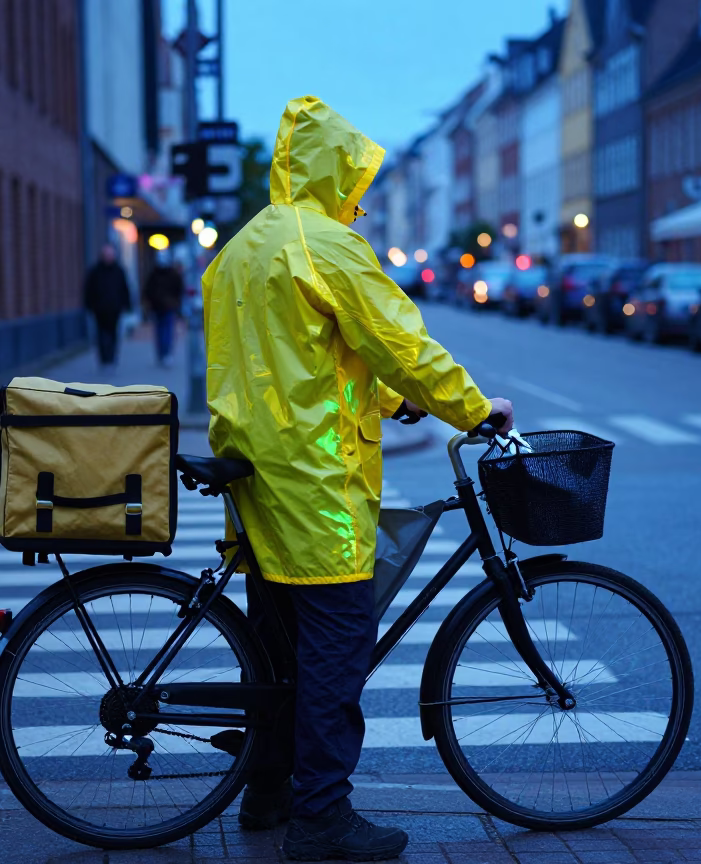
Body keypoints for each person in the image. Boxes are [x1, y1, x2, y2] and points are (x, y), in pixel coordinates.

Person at [201, 95, 513, 862]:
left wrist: (388, 400)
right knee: (339, 649)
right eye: (354, 175)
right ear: (335, 168)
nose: (359, 192)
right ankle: (321, 820)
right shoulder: (326, 246)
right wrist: (472, 410)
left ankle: (266, 791)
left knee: (280, 653)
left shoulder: (242, 249)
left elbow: (298, 363)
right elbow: (400, 341)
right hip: (314, 484)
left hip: (258, 481)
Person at [83, 243, 132, 367]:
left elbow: (124, 288)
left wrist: (127, 304)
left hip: (115, 308)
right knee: (101, 333)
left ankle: (112, 356)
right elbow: (88, 289)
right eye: (106, 255)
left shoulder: (119, 270)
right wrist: (89, 305)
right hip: (99, 309)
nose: (108, 257)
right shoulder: (95, 271)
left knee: (113, 333)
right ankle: (103, 357)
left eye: (110, 255)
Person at [142, 249, 184, 367]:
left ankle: (166, 354)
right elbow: (148, 290)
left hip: (168, 307)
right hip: (158, 308)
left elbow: (179, 289)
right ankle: (162, 354)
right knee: (161, 331)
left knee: (167, 331)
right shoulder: (154, 274)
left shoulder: (172, 274)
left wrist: (176, 302)